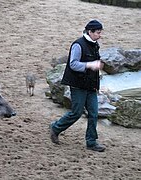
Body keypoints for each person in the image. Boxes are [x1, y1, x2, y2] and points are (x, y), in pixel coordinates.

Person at [49, 20, 106, 152]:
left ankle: (91, 142)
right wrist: (90, 65)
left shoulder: (94, 44)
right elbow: (73, 64)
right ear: (90, 32)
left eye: (100, 32)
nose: (100, 35)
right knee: (76, 113)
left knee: (93, 113)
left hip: (90, 85)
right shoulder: (78, 45)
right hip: (78, 85)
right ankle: (55, 128)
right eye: (98, 32)